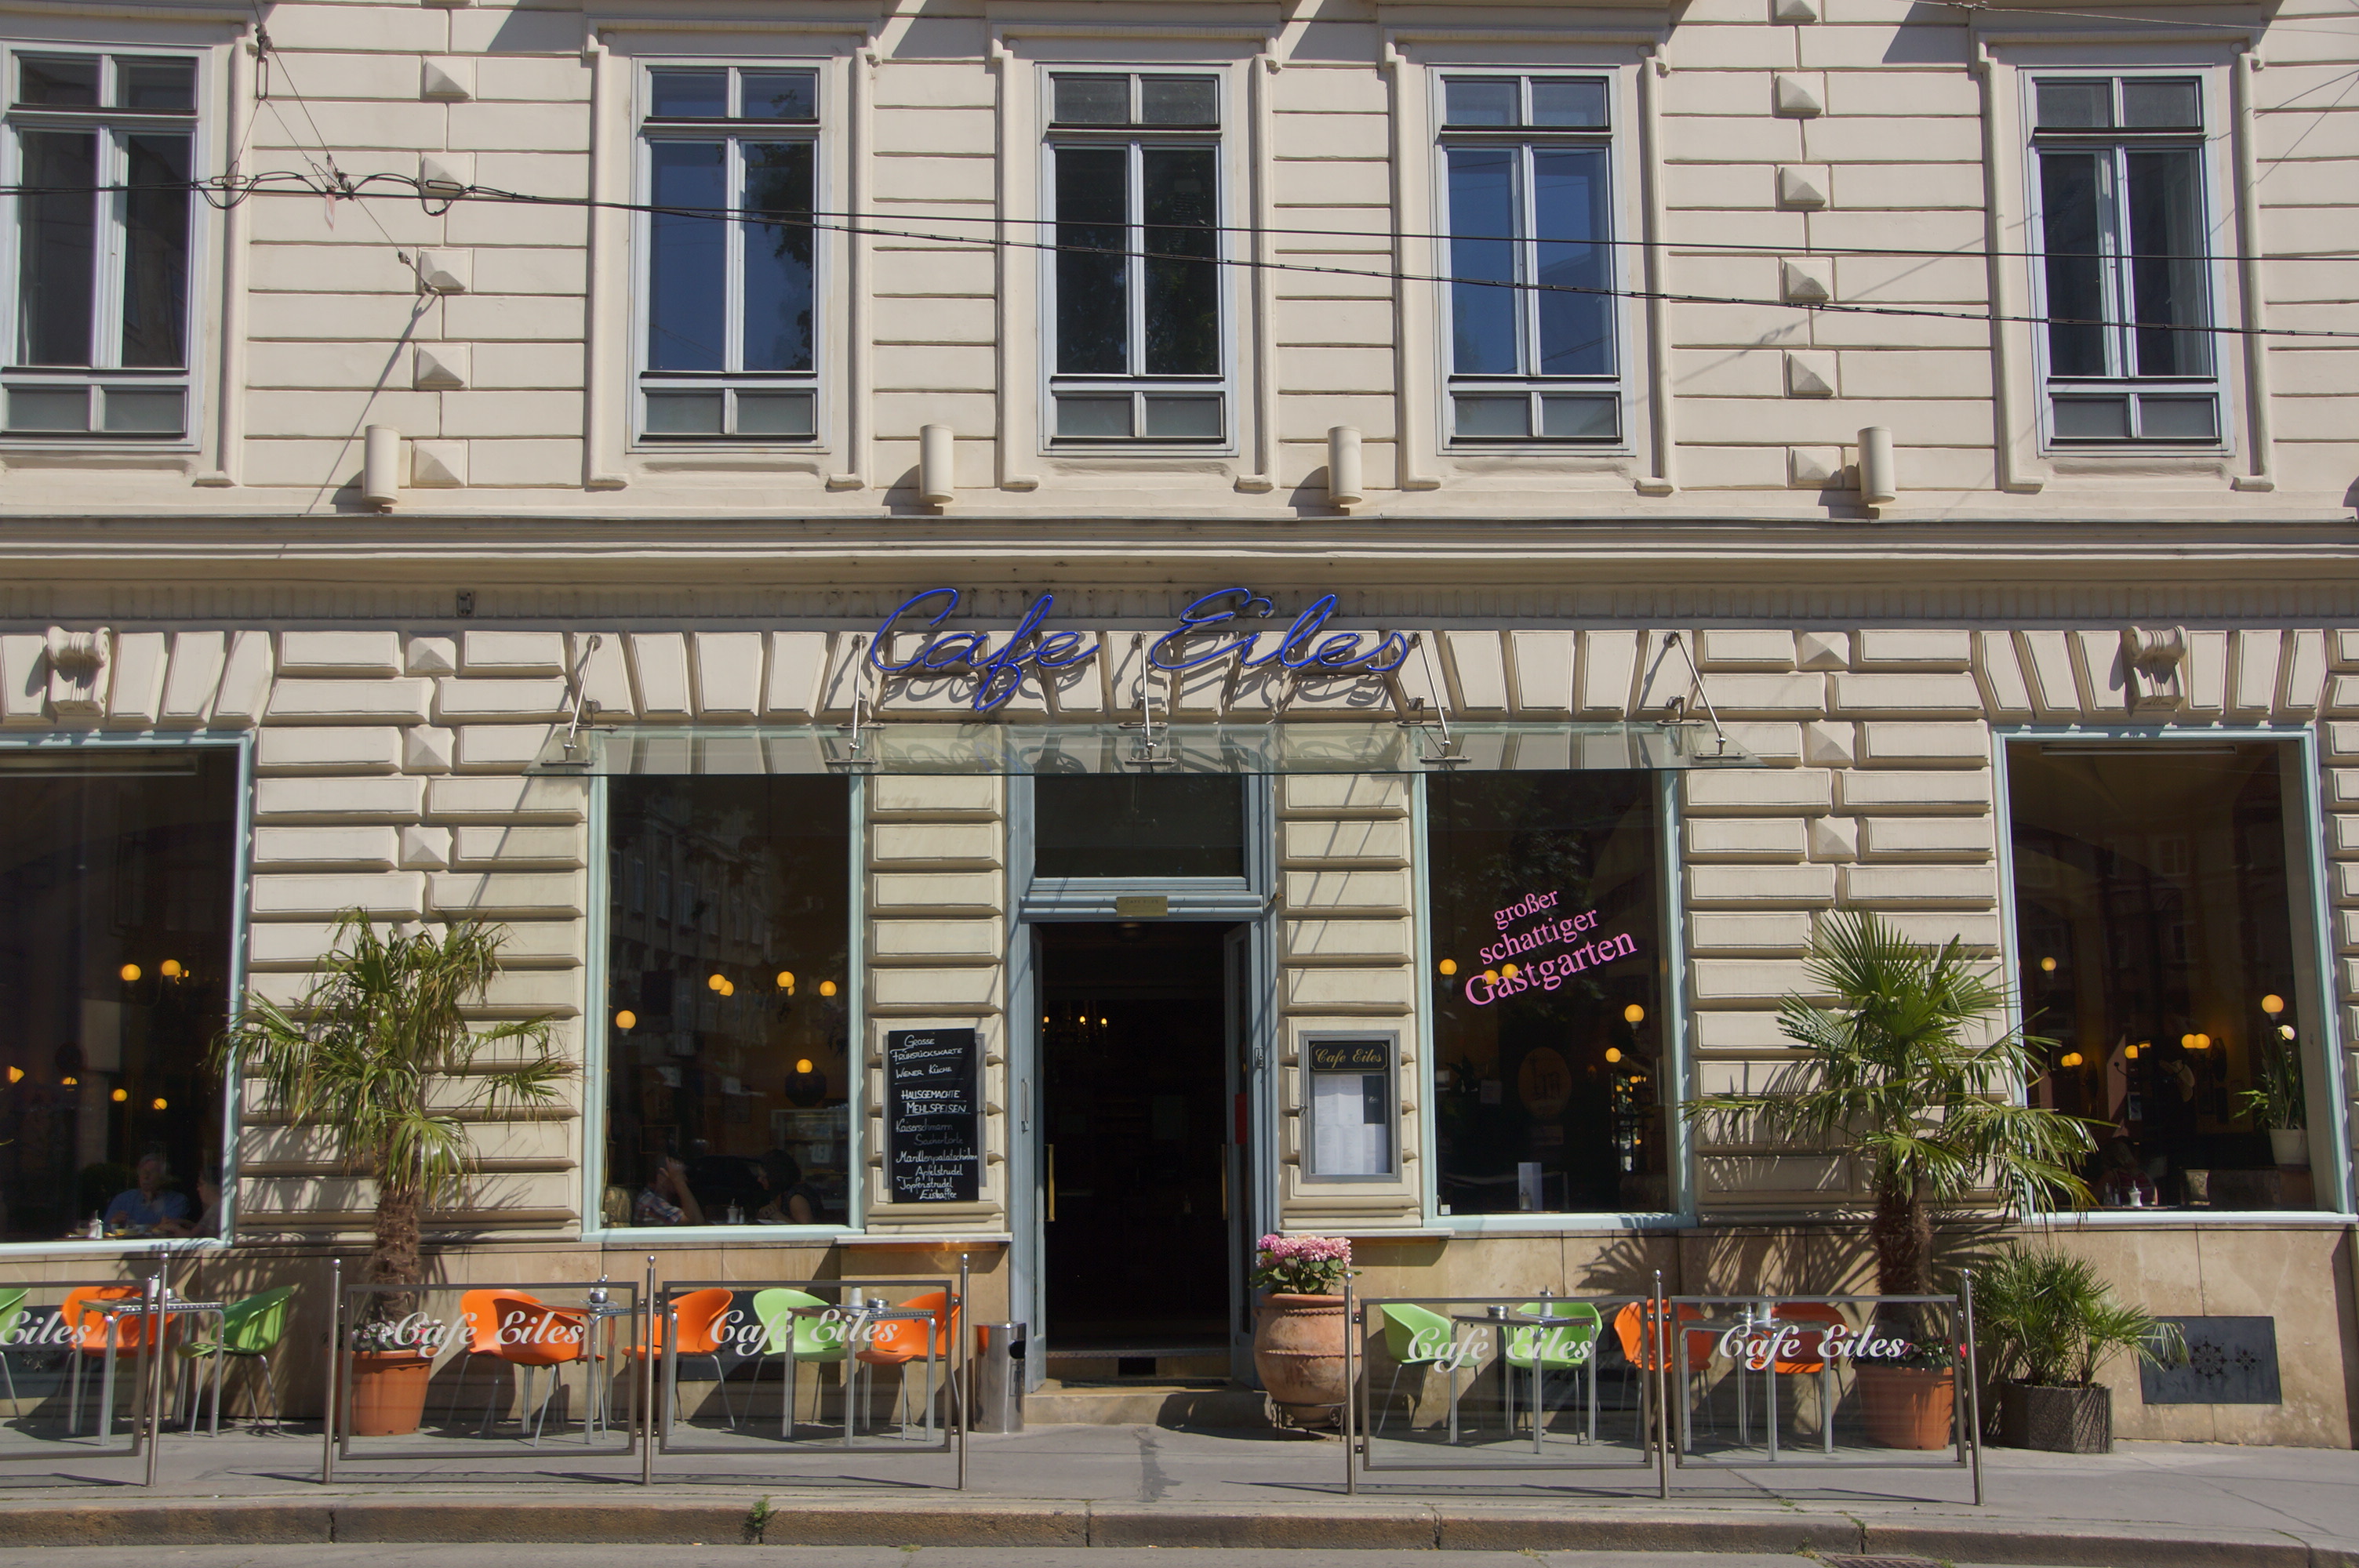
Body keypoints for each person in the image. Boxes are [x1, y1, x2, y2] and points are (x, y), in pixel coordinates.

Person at [106, 1151, 191, 1236]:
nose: (146, 1176)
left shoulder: (176, 1201)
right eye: (143, 1172)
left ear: (163, 1177)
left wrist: (131, 1229)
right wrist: (114, 1223)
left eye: (152, 1172)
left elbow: (169, 1228)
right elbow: (105, 1230)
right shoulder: (124, 1199)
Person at [634, 1153, 706, 1227]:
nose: (685, 1179)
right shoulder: (652, 1202)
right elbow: (696, 1223)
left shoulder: (662, 1198)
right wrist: (678, 1180)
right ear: (662, 1176)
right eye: (679, 1174)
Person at [754, 1151, 819, 1225]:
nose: (759, 1180)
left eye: (764, 1178)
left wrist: (779, 1217)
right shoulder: (782, 1193)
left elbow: (807, 1230)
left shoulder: (796, 1198)